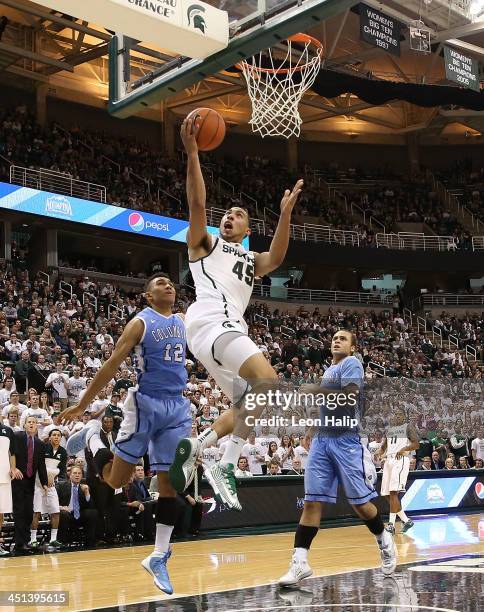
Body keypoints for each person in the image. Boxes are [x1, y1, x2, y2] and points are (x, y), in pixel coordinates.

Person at [170, 116, 303, 511]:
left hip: (217, 334)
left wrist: (284, 215)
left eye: (238, 214)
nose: (229, 216)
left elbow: (276, 257)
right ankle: (225, 463)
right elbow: (196, 203)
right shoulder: (205, 245)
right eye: (226, 212)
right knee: (273, 385)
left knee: (255, 403)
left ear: (246, 228)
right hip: (212, 321)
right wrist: (193, 153)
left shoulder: (249, 258)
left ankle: (201, 446)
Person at [61, 273, 191, 594]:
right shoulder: (140, 323)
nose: (168, 285)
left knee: (170, 483)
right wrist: (83, 405)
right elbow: (110, 366)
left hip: (176, 406)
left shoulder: (184, 320)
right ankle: (93, 436)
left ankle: (159, 555)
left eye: (170, 282)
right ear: (148, 296)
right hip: (145, 404)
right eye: (160, 283)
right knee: (116, 481)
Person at [278, 330, 396, 587]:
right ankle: (300, 563)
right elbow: (326, 406)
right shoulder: (328, 370)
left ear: (352, 347)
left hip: (346, 440)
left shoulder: (352, 364)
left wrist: (314, 390)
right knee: (311, 502)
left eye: (343, 338)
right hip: (322, 439)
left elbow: (349, 395)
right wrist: (311, 428)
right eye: (333, 337)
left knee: (361, 506)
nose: (336, 340)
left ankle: (383, 539)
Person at [376, 408, 419, 535]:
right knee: (385, 494)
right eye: (395, 414)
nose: (397, 416)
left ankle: (391, 525)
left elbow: (416, 444)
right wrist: (379, 452)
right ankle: (406, 520)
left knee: (393, 492)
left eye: (400, 414)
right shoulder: (389, 430)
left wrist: (404, 448)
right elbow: (384, 446)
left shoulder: (408, 427)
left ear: (404, 417)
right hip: (388, 461)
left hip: (400, 460)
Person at [12, 416, 48, 554]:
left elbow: (41, 465)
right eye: (29, 422)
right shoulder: (17, 436)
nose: (32, 424)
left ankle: (25, 542)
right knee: (19, 511)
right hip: (17, 479)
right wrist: (13, 468)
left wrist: (44, 483)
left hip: (30, 480)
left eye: (34, 422)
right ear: (24, 425)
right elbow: (11, 454)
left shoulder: (39, 443)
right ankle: (19, 544)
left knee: (28, 512)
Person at [30, 428, 67, 552]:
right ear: (50, 437)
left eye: (58, 435)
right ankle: (33, 539)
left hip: (51, 485)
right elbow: (39, 465)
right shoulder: (43, 448)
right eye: (54, 435)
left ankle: (53, 539)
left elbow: (61, 470)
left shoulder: (63, 451)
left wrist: (52, 476)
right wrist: (47, 476)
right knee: (36, 512)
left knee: (56, 512)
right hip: (38, 483)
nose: (56, 437)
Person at [56, 466, 97, 548]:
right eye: (74, 473)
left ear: (82, 476)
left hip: (79, 514)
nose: (77, 475)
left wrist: (87, 493)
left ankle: (90, 542)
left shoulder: (85, 487)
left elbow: (91, 506)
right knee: (64, 514)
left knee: (93, 512)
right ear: (70, 475)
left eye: (79, 473)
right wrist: (61, 507)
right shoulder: (61, 485)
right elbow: (53, 502)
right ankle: (62, 542)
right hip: (66, 513)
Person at [0, 422, 19, 555]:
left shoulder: (7, 430)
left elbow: (12, 453)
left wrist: (12, 468)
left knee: (0, 512)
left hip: (3, 476)